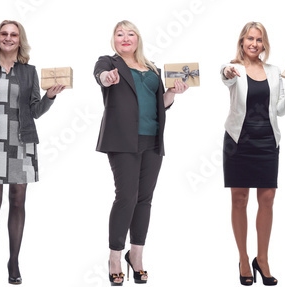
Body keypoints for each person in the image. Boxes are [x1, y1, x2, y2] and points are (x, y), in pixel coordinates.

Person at [94, 20, 187, 286]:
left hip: (152, 140)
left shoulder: (152, 67)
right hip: (123, 140)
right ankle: (114, 258)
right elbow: (100, 76)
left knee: (144, 199)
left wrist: (172, 93)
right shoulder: (108, 62)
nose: (125, 37)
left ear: (138, 39)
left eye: (130, 33)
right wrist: (106, 78)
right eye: (120, 34)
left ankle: (136, 257)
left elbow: (162, 104)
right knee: (126, 197)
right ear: (114, 39)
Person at [0, 20, 64, 285]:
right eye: (4, 33)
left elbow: (35, 111)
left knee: (18, 201)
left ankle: (13, 260)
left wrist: (50, 97)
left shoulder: (29, 72)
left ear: (20, 40)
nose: (8, 38)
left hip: (22, 141)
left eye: (13, 34)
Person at [220, 21, 285, 286]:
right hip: (238, 141)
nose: (254, 44)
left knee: (267, 201)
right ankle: (243, 259)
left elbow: (279, 110)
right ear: (242, 42)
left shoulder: (274, 71)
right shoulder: (233, 68)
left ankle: (263, 258)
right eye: (249, 39)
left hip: (267, 142)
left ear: (264, 44)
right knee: (239, 200)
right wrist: (226, 70)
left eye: (259, 39)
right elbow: (224, 76)